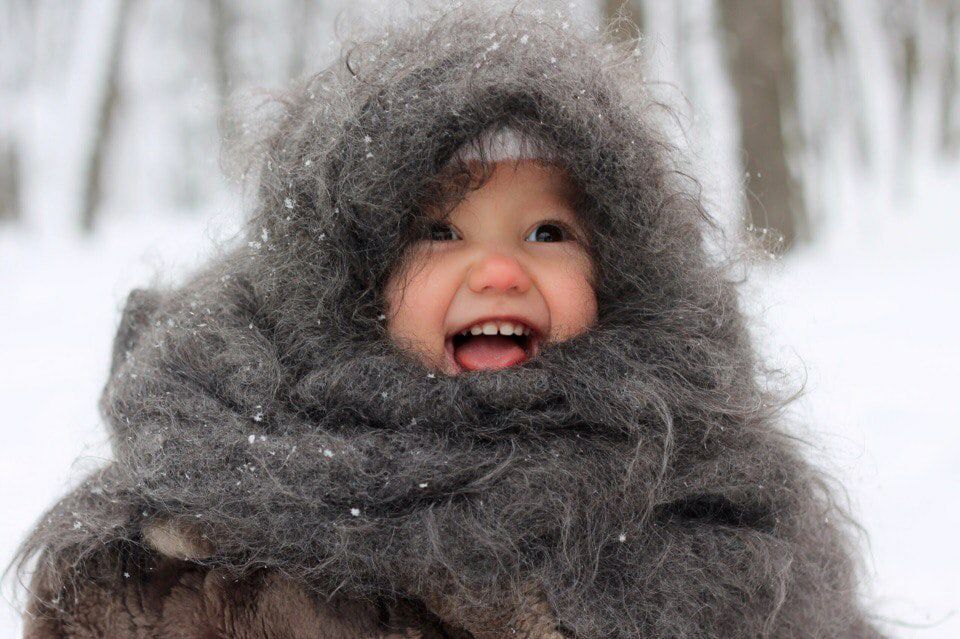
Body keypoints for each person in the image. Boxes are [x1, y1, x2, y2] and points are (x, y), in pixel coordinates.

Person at [11, 3, 886, 638]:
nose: (499, 269)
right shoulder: (228, 475)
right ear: (356, 281)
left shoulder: (697, 474)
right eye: (439, 232)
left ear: (619, 268)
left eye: (549, 233)